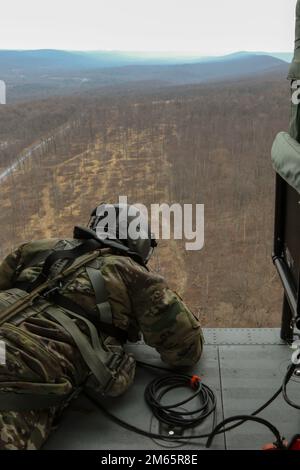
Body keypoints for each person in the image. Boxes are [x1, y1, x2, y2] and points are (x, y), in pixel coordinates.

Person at [0, 202, 203, 450]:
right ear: (137, 240)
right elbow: (185, 350)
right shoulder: (133, 274)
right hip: (22, 366)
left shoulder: (35, 248)